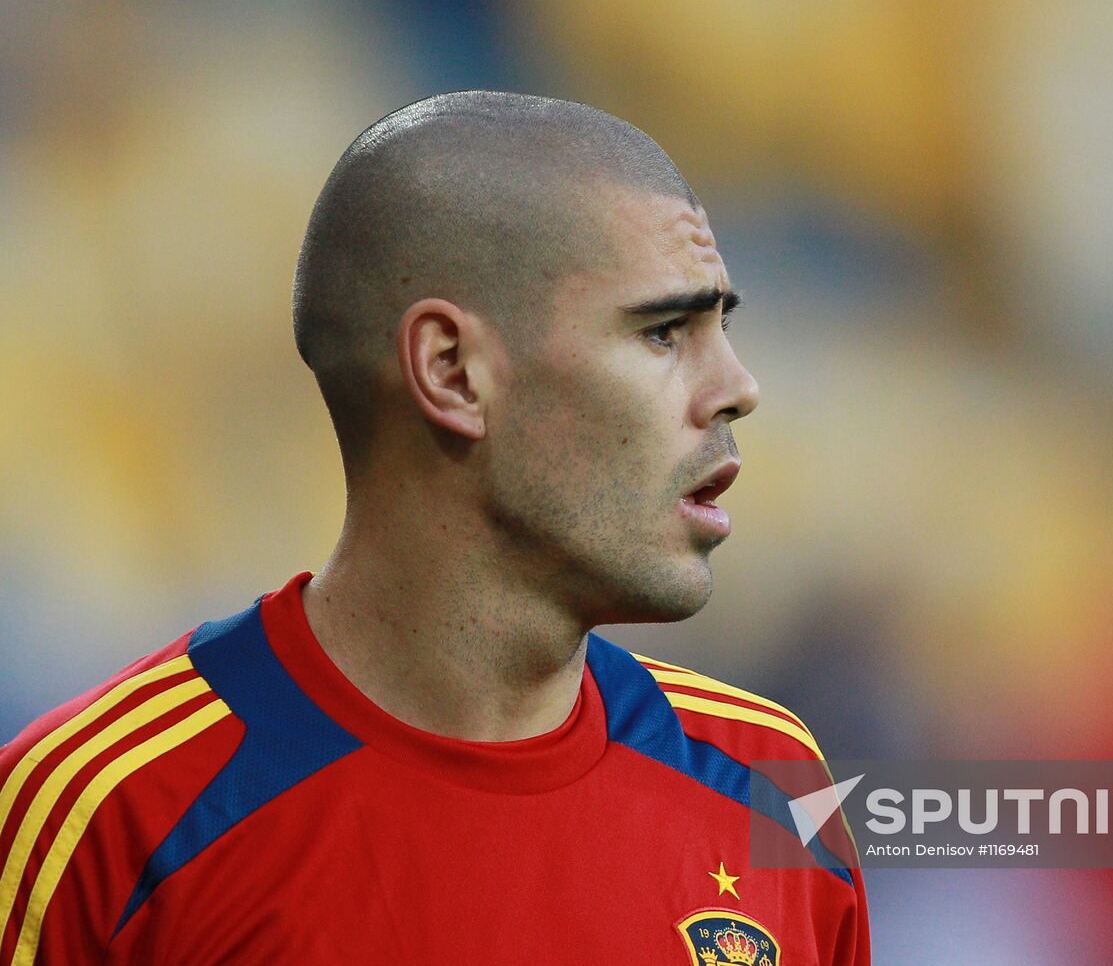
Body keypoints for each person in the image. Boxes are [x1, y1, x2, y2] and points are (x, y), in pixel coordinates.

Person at [0, 91, 870, 964]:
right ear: (452, 371)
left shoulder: (772, 782)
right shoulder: (105, 815)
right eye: (663, 332)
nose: (739, 387)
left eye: (724, 326)